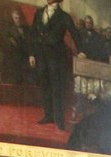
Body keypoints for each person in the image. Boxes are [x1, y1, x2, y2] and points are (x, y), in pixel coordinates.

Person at [29, 0, 85, 131]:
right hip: (41, 56)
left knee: (56, 88)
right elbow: (33, 34)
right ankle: (48, 115)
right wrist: (31, 54)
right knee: (44, 85)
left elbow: (74, 33)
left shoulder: (64, 16)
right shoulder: (39, 12)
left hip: (55, 57)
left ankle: (59, 119)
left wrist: (81, 50)